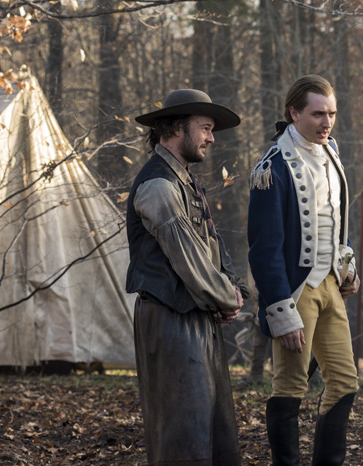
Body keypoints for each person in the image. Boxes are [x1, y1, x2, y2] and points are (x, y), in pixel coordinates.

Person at [127, 89, 249, 466]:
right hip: (169, 320)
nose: (212, 138)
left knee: (213, 432)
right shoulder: (159, 185)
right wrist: (225, 298)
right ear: (177, 128)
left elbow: (211, 243)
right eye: (206, 128)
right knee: (183, 435)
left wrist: (233, 288)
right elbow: (187, 256)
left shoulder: (185, 181)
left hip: (197, 318)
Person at [248, 75, 360, 466]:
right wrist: (281, 310)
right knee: (291, 386)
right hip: (296, 293)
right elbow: (264, 250)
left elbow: (338, 222)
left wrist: (348, 266)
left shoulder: (333, 154)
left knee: (345, 382)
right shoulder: (272, 167)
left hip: (331, 285)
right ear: (294, 113)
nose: (326, 122)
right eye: (317, 114)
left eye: (331, 113)